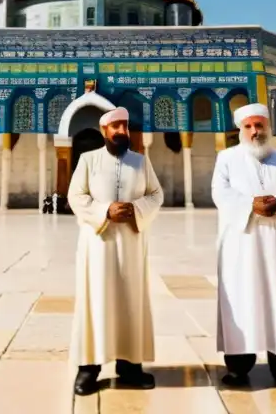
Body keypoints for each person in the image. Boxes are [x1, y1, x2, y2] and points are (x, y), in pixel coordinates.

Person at [211, 103, 276, 395]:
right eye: (249, 126)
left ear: (268, 127)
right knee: (241, 300)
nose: (255, 132)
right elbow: (220, 193)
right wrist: (250, 205)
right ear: (240, 129)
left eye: (259, 125)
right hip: (240, 245)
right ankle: (237, 368)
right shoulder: (227, 158)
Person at [68, 106, 164, 396]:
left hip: (132, 244)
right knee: (95, 300)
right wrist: (104, 210)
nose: (122, 131)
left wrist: (135, 209)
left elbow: (156, 194)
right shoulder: (88, 160)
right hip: (98, 243)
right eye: (116, 127)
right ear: (104, 131)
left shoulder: (140, 162)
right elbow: (76, 195)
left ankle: (130, 366)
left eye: (125, 126)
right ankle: (89, 367)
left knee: (130, 300)